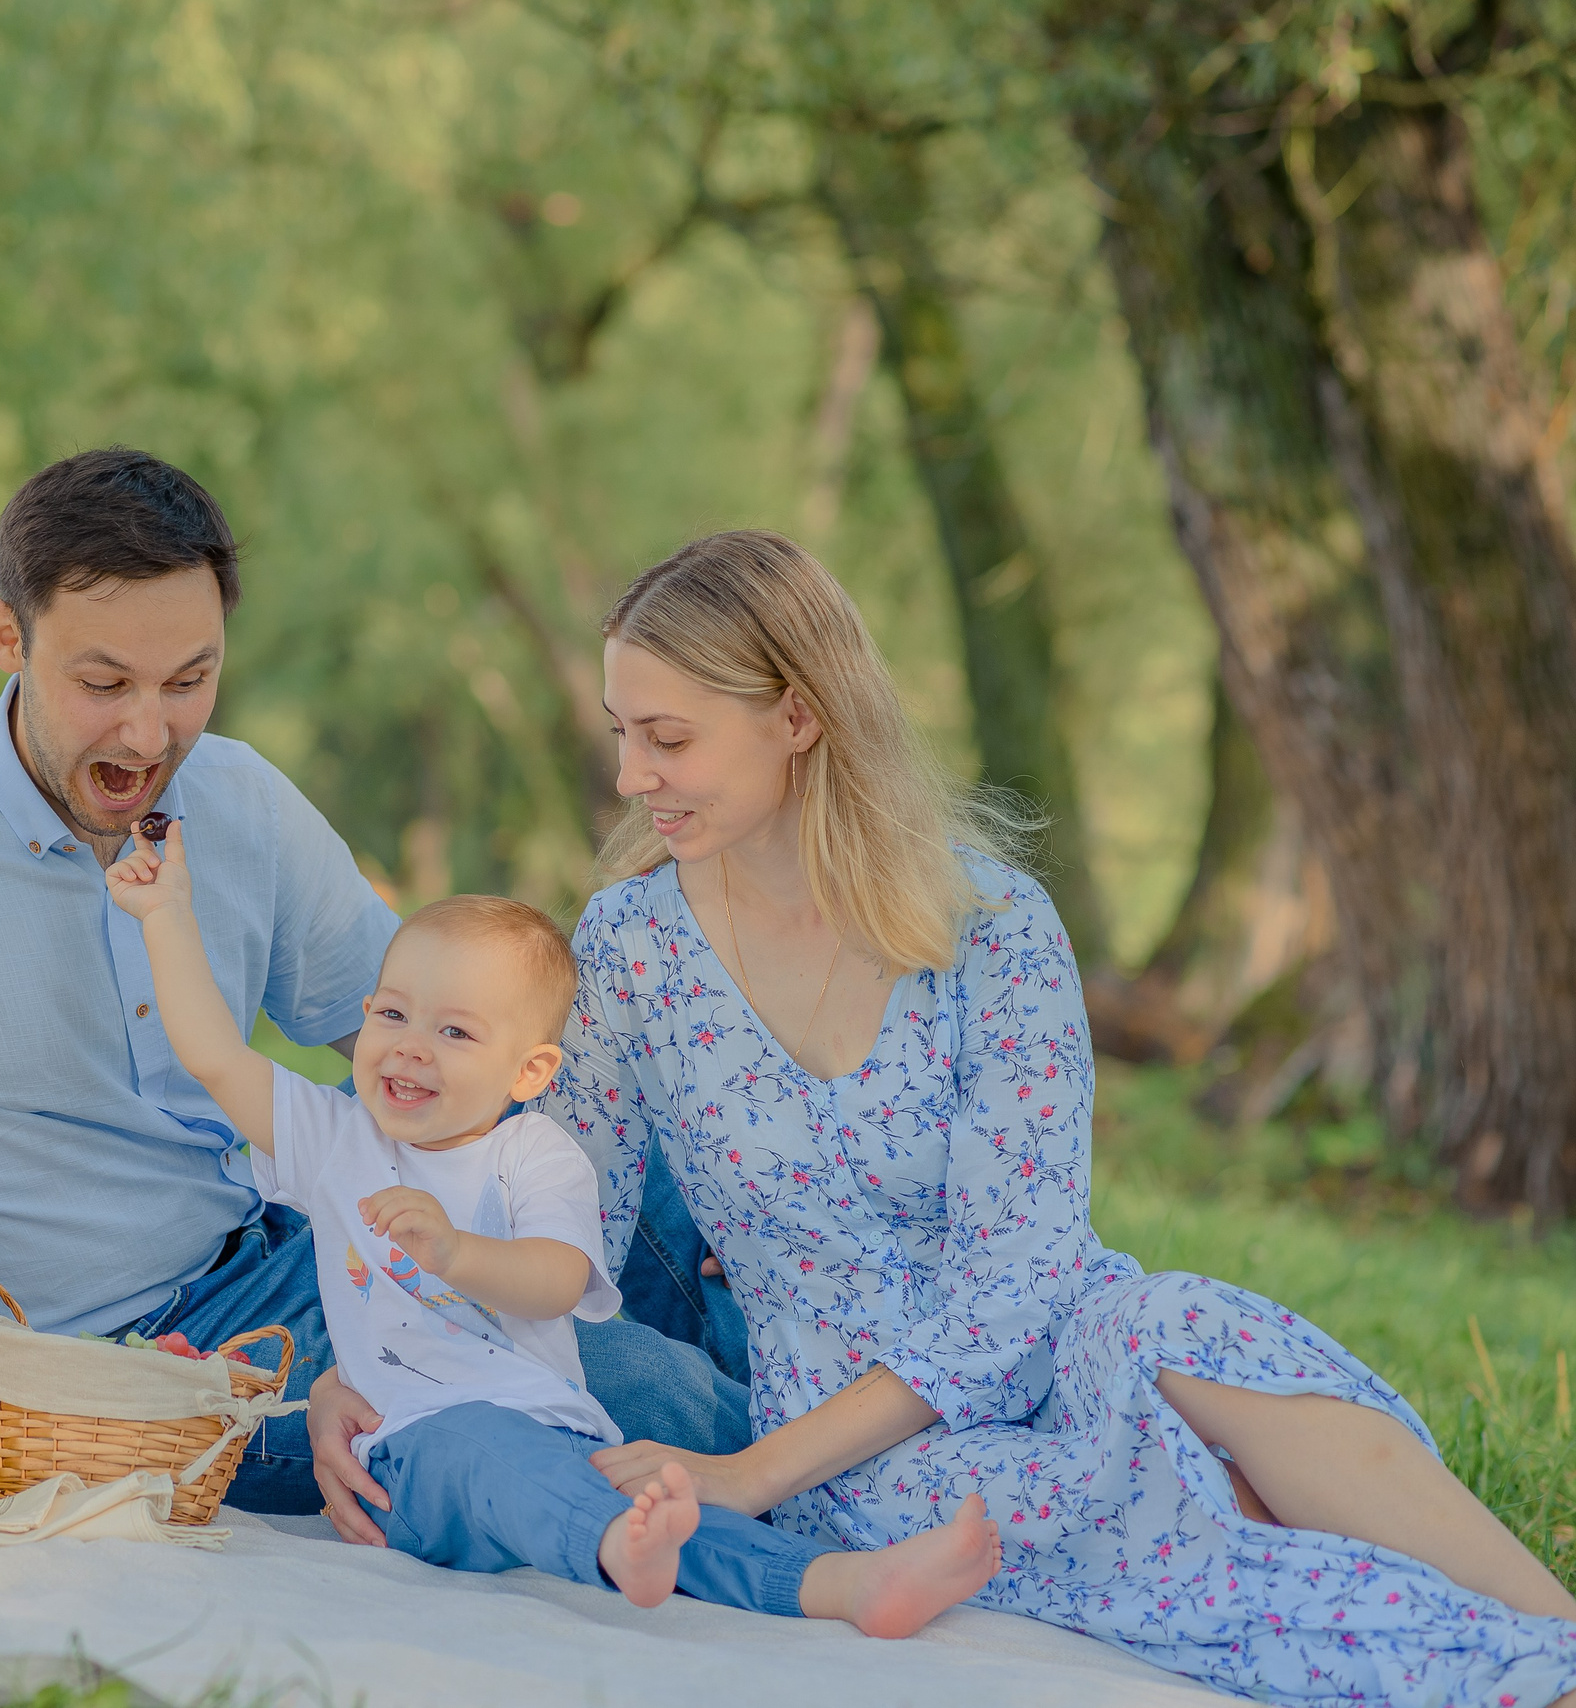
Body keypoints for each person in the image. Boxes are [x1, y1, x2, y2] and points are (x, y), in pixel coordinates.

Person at [313, 528, 1576, 1704]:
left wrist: (739, 1481)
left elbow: (1026, 1271)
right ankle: (1515, 1674)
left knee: (1193, 1322)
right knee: (1123, 1506)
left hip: (1053, 1324)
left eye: (668, 738)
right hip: (846, 1425)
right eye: (622, 732)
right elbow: (538, 1207)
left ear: (797, 715)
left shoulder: (990, 924)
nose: (632, 775)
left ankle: (1555, 1629)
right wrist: (370, 1361)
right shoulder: (633, 946)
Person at [0, 447, 749, 1513]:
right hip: (128, 1360)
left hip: (296, 1240)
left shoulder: (239, 798)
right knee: (639, 1385)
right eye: (102, 681)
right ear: (7, 638)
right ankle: (808, 1474)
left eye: (189, 681)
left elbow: (428, 1037)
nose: (148, 731)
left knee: (647, 1169)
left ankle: (837, 1378)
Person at [107, 831, 1003, 1627]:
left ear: (530, 1069)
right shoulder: (336, 1140)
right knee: (502, 1458)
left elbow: (559, 1281)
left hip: (561, 1428)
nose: (408, 1044)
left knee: (660, 1499)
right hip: (414, 1452)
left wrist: (456, 1252)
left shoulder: (534, 1155)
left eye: (454, 1030)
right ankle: (625, 1550)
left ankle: (838, 1585)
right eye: (390, 1013)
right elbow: (214, 1054)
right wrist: (165, 913)